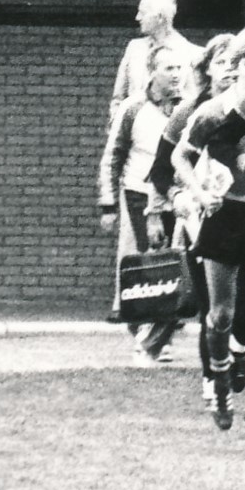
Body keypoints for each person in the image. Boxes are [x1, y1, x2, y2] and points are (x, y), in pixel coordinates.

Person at [172, 25, 245, 431]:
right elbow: (180, 158)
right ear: (234, 67)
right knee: (220, 313)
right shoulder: (213, 111)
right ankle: (219, 383)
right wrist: (200, 192)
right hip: (224, 212)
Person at [100, 42, 191, 363]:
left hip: (178, 193)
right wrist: (108, 203)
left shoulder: (188, 107)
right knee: (150, 261)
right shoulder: (132, 108)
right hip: (139, 191)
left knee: (176, 263)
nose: (176, 74)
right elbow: (113, 155)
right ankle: (145, 331)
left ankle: (161, 335)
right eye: (169, 68)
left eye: (179, 68)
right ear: (152, 72)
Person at [108, 0, 200, 133]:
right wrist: (116, 126)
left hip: (169, 134)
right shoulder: (135, 48)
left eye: (142, 13)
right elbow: (118, 97)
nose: (137, 18)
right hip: (132, 134)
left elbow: (193, 103)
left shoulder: (191, 53)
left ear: (159, 17)